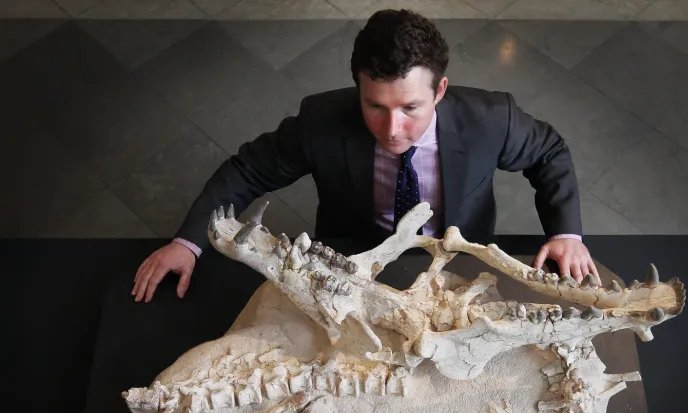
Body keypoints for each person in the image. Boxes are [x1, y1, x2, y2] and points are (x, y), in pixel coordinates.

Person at [132, 8, 599, 303]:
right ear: (358, 85)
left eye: (410, 108)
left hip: (457, 262)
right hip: (351, 263)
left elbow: (549, 151)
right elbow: (248, 169)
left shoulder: (492, 118)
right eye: (374, 106)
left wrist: (566, 233)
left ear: (439, 91)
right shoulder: (321, 120)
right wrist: (188, 242)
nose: (392, 130)